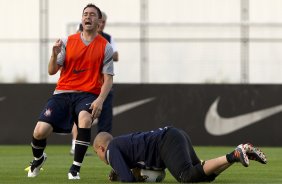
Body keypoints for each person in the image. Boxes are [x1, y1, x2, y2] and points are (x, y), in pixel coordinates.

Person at [27, 3, 114, 180]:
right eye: (85, 14)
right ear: (82, 19)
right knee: (39, 131)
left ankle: (75, 168)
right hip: (63, 93)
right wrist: (53, 54)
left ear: (99, 21)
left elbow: (108, 79)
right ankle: (38, 158)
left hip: (88, 94)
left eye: (92, 15)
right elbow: (52, 71)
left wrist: (100, 100)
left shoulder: (106, 47)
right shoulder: (67, 41)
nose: (88, 17)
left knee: (85, 119)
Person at [93, 126, 267, 182]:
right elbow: (131, 168)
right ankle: (236, 154)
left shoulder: (111, 149)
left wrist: (123, 173)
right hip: (172, 135)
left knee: (186, 176)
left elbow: (128, 180)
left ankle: (234, 154)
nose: (101, 158)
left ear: (101, 148)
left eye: (97, 154)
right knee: (203, 176)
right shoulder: (120, 145)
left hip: (166, 141)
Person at [70, 11, 118, 155]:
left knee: (105, 119)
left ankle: (105, 148)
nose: (101, 24)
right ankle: (75, 144)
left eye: (103, 22)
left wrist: (105, 50)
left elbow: (116, 55)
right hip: (85, 86)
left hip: (103, 86)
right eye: (100, 21)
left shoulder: (107, 39)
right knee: (80, 117)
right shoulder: (81, 35)